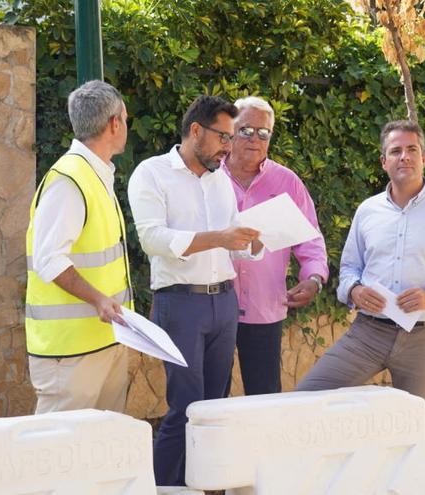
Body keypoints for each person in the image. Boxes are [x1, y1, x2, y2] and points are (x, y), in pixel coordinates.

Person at [296, 119, 425, 422]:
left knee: (411, 430)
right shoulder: (367, 211)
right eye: (395, 151)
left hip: (424, 338)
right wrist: (354, 290)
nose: (404, 157)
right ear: (384, 162)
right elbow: (348, 268)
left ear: (424, 158)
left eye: (412, 149)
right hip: (367, 333)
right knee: (305, 399)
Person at [127, 95, 264, 486]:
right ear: (195, 131)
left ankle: (207, 486)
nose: (229, 147)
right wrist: (220, 237)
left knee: (215, 410)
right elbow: (152, 239)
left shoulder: (221, 179)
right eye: (224, 137)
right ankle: (159, 488)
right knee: (185, 409)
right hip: (180, 303)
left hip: (224, 301)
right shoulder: (151, 173)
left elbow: (232, 239)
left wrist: (253, 243)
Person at [24, 80, 134, 414]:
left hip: (103, 343)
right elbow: (49, 259)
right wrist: (99, 299)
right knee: (56, 455)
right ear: (114, 123)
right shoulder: (70, 180)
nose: (127, 126)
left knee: (99, 451)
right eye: (126, 119)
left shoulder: (93, 174)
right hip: (70, 354)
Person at [223, 96, 329, 395]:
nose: (255, 138)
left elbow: (310, 239)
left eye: (264, 132)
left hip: (264, 306)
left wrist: (313, 278)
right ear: (230, 130)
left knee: (264, 395)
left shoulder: (287, 182)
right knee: (212, 397)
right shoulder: (209, 178)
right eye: (246, 130)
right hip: (214, 306)